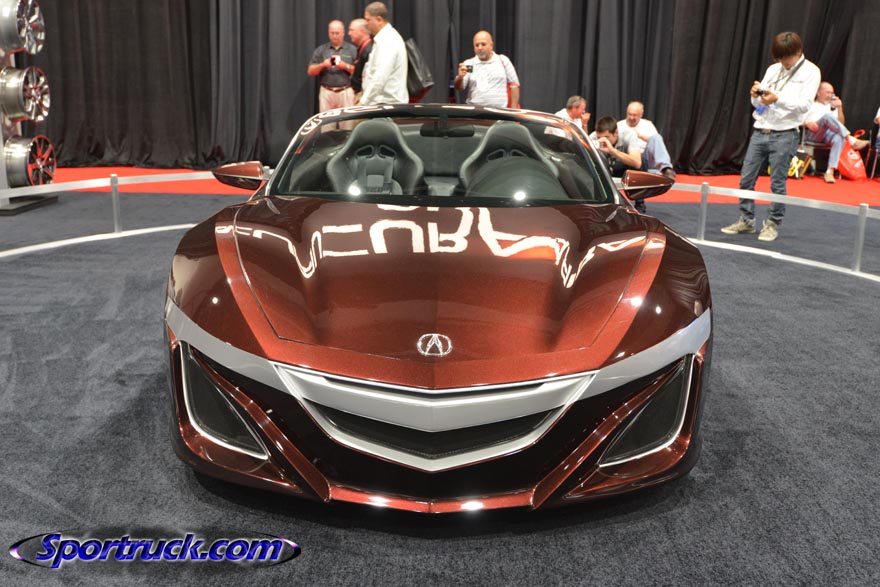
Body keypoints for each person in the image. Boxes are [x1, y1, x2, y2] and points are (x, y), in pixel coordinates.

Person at [721, 31, 820, 242]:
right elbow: (760, 103)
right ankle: (746, 220)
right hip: (761, 129)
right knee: (746, 178)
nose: (783, 62)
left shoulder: (811, 72)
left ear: (798, 52)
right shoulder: (773, 69)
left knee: (777, 183)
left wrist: (777, 99)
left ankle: (772, 224)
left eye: (786, 57)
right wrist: (755, 96)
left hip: (785, 133)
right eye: (779, 58)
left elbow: (804, 106)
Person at [803, 82, 870, 183]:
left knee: (839, 137)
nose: (830, 95)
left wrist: (839, 108)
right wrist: (807, 124)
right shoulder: (810, 105)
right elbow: (798, 120)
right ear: (818, 93)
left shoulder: (832, 107)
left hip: (829, 136)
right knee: (827, 117)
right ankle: (851, 139)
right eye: (827, 92)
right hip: (813, 133)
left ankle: (829, 171)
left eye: (832, 93)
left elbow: (841, 125)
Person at [589, 116, 653, 213]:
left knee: (643, 161)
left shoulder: (628, 135)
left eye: (606, 137)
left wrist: (612, 151)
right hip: (603, 168)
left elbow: (637, 163)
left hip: (622, 167)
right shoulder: (593, 137)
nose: (602, 140)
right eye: (599, 137)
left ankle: (639, 204)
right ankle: (600, 202)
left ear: (616, 133)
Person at [359, 2, 408, 106]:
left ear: (379, 19)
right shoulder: (382, 39)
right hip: (381, 102)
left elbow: (379, 77)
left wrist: (362, 102)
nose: (365, 24)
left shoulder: (388, 41)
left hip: (386, 104)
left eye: (368, 20)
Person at [454, 31, 520, 108]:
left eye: (483, 44)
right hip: (475, 111)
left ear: (491, 45)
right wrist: (460, 77)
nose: (480, 48)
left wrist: (513, 111)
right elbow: (459, 87)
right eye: (477, 45)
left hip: (500, 111)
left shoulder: (503, 61)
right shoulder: (469, 64)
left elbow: (514, 85)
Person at [307, 20, 357, 116]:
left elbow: (360, 72)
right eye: (332, 33)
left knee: (348, 122)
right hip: (326, 92)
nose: (334, 36)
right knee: (327, 123)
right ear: (328, 33)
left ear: (343, 33)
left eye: (337, 33)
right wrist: (323, 65)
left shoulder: (352, 50)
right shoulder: (321, 50)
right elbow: (310, 71)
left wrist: (345, 66)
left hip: (345, 92)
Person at [616, 101, 676, 180]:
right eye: (629, 114)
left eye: (634, 115)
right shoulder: (619, 125)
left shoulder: (647, 125)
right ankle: (654, 173)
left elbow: (656, 143)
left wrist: (642, 137)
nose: (631, 118)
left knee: (656, 137)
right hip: (629, 157)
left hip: (644, 156)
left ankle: (666, 169)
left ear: (641, 114)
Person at [348, 18, 373, 100]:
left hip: (366, 96)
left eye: (352, 30)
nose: (349, 33)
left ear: (362, 31)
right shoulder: (362, 48)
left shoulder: (369, 50)